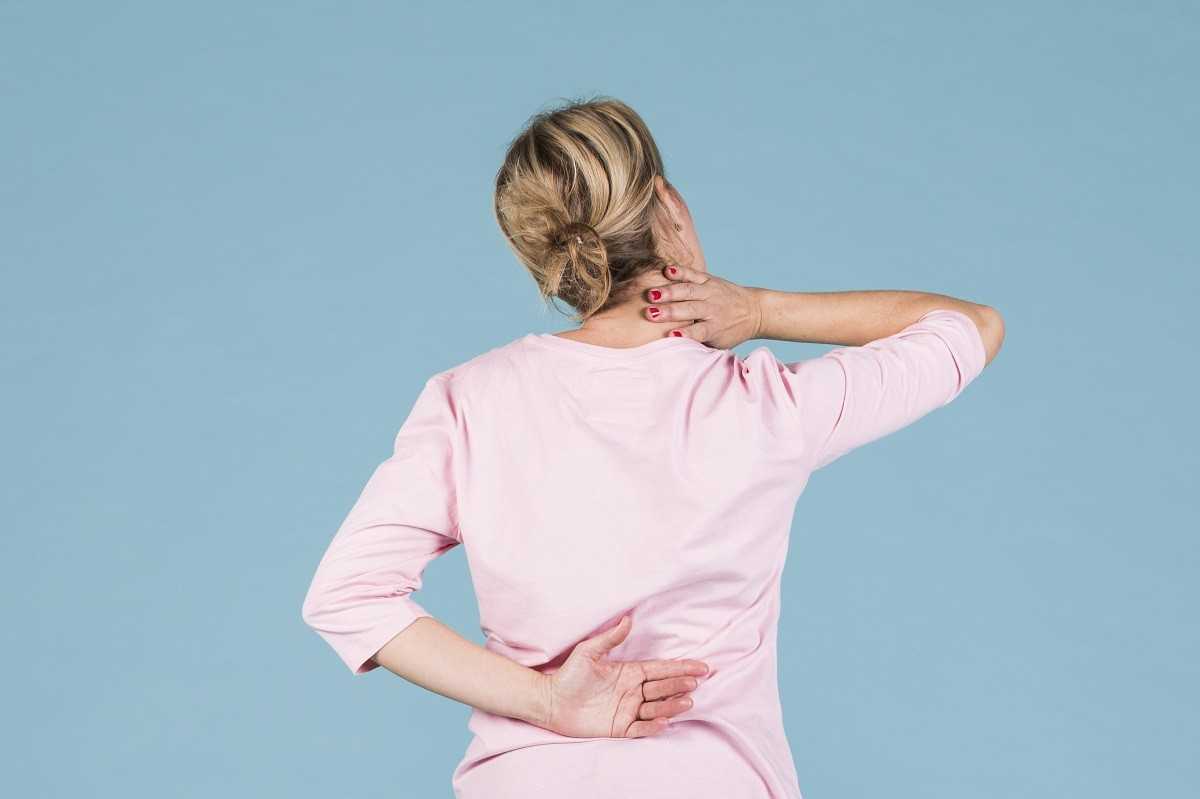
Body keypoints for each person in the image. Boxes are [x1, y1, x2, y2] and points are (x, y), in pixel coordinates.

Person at [300, 96, 1005, 798]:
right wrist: (761, 308)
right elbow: (971, 327)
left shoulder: (469, 400)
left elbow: (347, 597)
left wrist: (548, 701)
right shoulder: (765, 405)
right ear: (669, 206)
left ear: (540, 253)